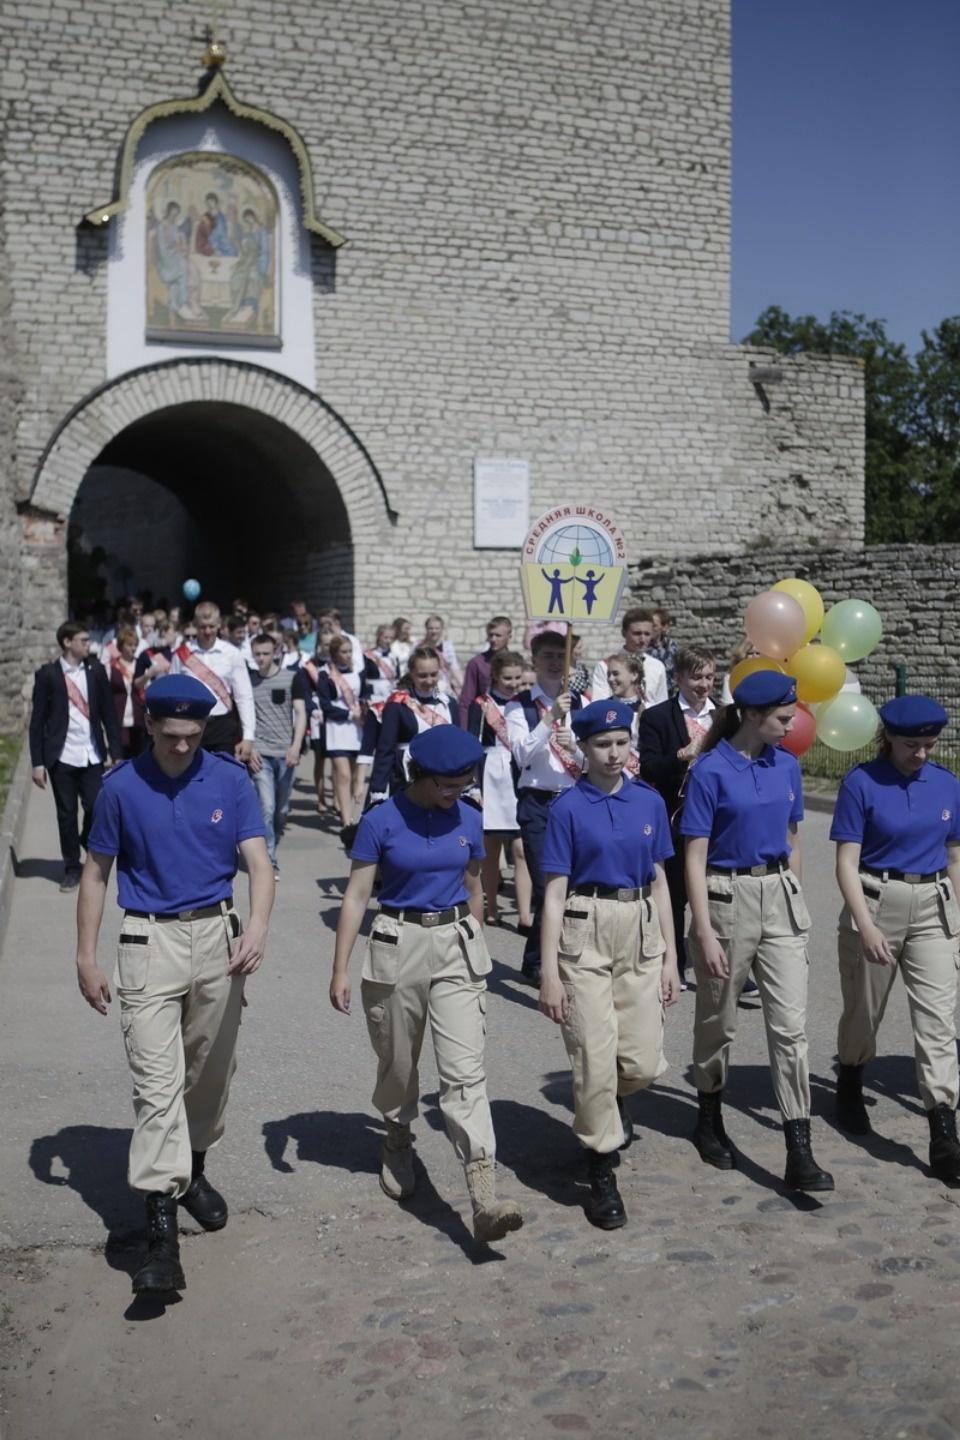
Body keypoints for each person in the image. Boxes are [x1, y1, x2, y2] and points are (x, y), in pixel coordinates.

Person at [75, 674, 274, 1294]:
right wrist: (86, 956)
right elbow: (95, 874)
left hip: (218, 938)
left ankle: (194, 1166)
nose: (183, 747)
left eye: (193, 736)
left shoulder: (230, 780)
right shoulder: (120, 788)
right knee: (157, 1085)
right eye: (171, 736)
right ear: (151, 725)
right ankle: (160, 1233)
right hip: (148, 942)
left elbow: (260, 864)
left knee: (209, 1073)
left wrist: (258, 926)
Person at [330, 726, 523, 1244]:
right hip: (398, 942)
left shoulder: (471, 817)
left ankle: (483, 1191)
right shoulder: (382, 820)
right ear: (420, 773)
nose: (456, 793)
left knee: (465, 1070)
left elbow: (475, 884)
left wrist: (476, 935)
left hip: (457, 945)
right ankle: (397, 1134)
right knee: (398, 1060)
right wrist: (340, 967)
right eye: (447, 785)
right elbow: (356, 896)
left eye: (464, 783)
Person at [681, 670, 833, 1192]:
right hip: (725, 901)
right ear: (750, 715)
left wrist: (794, 898)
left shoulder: (787, 765)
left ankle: (799, 1147)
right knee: (718, 1022)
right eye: (784, 718)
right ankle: (708, 1118)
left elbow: (791, 839)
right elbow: (694, 859)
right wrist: (702, 931)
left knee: (791, 1027)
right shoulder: (709, 771)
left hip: (779, 902)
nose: (792, 726)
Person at [539, 700, 680, 1229]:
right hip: (585, 930)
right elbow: (552, 895)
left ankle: (609, 1105)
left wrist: (670, 957)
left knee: (642, 1063)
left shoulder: (648, 801)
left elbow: (662, 881)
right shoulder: (567, 808)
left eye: (622, 743)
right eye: (603, 744)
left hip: (640, 927)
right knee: (594, 1060)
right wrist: (549, 972)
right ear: (584, 748)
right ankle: (600, 1171)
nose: (614, 753)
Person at [830, 696, 960, 1179]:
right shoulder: (861, 782)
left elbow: (954, 858)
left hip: (933, 907)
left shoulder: (947, 784)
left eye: (929, 744)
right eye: (912, 745)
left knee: (938, 1020)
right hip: (876, 901)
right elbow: (845, 861)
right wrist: (864, 925)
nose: (921, 753)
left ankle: (943, 1130)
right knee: (864, 1011)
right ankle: (851, 1077)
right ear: (889, 738)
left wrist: (958, 922)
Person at [637, 645, 718, 989]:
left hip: (717, 818)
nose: (703, 684)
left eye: (710, 677)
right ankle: (675, 962)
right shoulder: (657, 716)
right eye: (696, 677)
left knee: (716, 892)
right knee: (676, 893)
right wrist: (683, 754)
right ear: (679, 678)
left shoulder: (724, 715)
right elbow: (649, 766)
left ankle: (720, 960)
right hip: (675, 816)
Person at [506, 631, 583, 984]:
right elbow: (521, 754)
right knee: (545, 886)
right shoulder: (518, 705)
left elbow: (595, 761)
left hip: (572, 803)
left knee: (569, 886)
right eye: (548, 656)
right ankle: (544, 962)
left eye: (560, 655)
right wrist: (549, 719)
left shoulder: (582, 702)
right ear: (534, 661)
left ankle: (538, 956)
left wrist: (577, 749)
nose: (555, 662)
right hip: (537, 803)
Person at [29, 622, 123, 892]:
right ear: (67, 642)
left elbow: (108, 715)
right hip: (62, 757)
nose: (88, 644)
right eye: (83, 640)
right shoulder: (48, 675)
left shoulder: (96, 671)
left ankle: (85, 837)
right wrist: (38, 764)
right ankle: (72, 867)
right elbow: (37, 723)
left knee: (96, 806)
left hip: (92, 755)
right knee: (66, 813)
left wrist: (116, 753)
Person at [466, 648, 533, 930]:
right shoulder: (481, 704)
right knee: (490, 850)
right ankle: (491, 906)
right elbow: (473, 745)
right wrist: (473, 784)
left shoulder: (527, 704)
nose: (514, 683)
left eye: (518, 677)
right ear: (495, 676)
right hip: (492, 773)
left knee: (522, 850)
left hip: (520, 772)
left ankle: (525, 914)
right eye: (508, 678)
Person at [248, 633, 309, 874]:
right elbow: (245, 716)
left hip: (286, 752)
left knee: (281, 809)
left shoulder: (292, 677)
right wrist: (250, 746)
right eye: (257, 654)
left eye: (265, 653)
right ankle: (268, 858)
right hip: (260, 753)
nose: (261, 658)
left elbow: (301, 713)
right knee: (267, 806)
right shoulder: (249, 681)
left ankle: (276, 831)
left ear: (275, 652)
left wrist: (296, 746)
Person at [368, 646, 459, 801]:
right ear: (411, 673)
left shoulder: (449, 703)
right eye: (422, 676)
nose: (429, 681)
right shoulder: (397, 704)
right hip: (405, 779)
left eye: (434, 674)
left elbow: (458, 747)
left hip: (443, 780)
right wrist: (378, 789)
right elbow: (385, 749)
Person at [172, 602, 255, 760]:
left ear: (218, 624)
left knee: (222, 779)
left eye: (211, 626)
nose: (207, 631)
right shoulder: (181, 655)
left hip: (222, 727)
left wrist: (248, 736)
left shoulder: (232, 654)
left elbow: (244, 696)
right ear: (195, 625)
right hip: (191, 725)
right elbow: (173, 694)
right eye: (203, 627)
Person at [316, 633, 378, 828]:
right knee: (342, 774)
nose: (348, 655)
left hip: (357, 730)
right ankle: (345, 823)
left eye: (350, 651)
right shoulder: (325, 673)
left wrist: (366, 706)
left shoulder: (358, 670)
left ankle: (351, 813)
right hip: (337, 729)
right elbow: (325, 704)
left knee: (354, 775)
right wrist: (351, 714)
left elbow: (365, 692)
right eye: (343, 652)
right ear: (334, 653)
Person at [591, 608, 668, 706]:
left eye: (647, 634)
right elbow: (599, 705)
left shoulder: (657, 666)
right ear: (624, 633)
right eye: (637, 633)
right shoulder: (605, 666)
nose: (643, 639)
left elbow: (662, 704)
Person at [459, 615, 514, 724]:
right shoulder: (477, 663)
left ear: (509, 636)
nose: (493, 639)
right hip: (485, 722)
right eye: (490, 635)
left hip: (512, 719)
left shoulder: (515, 663)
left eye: (498, 635)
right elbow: (466, 701)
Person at [109, 624, 146, 758]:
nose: (133, 648)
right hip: (120, 714)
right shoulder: (112, 666)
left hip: (139, 714)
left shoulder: (141, 664)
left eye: (135, 645)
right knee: (122, 753)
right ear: (121, 646)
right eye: (129, 645)